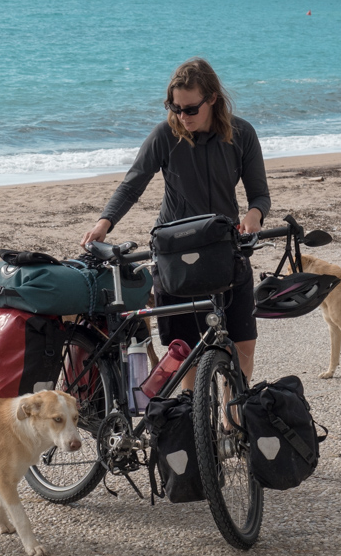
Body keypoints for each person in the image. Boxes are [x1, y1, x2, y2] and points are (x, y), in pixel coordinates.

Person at [80, 58, 271, 386]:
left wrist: (254, 215)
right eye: (175, 107)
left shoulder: (242, 134)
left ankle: (231, 414)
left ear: (212, 99)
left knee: (243, 343)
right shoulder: (165, 135)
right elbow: (134, 182)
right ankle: (191, 415)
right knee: (185, 350)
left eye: (190, 109)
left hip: (224, 250)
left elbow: (260, 195)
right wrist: (104, 222)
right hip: (175, 255)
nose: (182, 116)